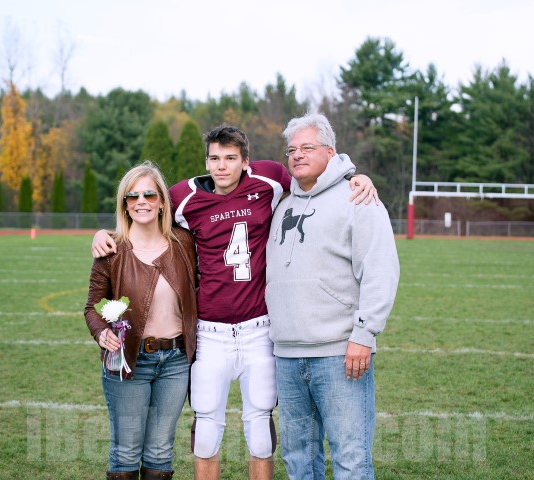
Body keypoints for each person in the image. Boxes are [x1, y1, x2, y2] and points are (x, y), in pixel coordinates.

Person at [91, 125, 378, 480]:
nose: (221, 166)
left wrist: (352, 177)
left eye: (230, 158)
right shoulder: (184, 196)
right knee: (206, 428)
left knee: (260, 431)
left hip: (259, 328)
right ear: (205, 161)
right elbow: (144, 211)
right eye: (214, 158)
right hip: (211, 331)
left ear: (246, 161)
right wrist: (105, 233)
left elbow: (314, 179)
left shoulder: (270, 179)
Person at [265, 113, 400, 480]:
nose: (297, 155)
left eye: (307, 147)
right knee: (298, 460)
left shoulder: (358, 198)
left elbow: (381, 269)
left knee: (350, 458)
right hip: (287, 356)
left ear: (330, 151)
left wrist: (364, 334)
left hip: (339, 354)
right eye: (291, 149)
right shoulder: (282, 206)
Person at [84, 161, 198, 480]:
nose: (141, 201)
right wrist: (101, 332)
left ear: (162, 201)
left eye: (149, 194)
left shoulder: (184, 243)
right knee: (126, 450)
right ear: (125, 204)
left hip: (176, 361)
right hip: (130, 360)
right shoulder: (111, 249)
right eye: (132, 196)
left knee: (161, 450)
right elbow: (92, 307)